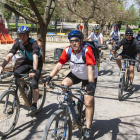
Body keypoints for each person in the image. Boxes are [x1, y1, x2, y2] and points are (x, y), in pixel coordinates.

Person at [43, 30, 98, 139]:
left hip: (88, 76)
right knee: (64, 85)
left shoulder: (87, 51)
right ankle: (73, 105)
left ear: (81, 41)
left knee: (88, 102)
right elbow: (59, 65)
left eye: (76, 40)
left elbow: (90, 69)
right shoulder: (67, 50)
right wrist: (49, 77)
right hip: (76, 74)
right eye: (71, 41)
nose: (74, 43)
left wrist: (91, 83)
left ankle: (87, 127)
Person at [0, 26, 43, 115]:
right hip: (27, 62)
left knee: (34, 82)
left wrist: (34, 71)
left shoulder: (33, 43)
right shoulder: (18, 43)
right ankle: (25, 86)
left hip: (37, 64)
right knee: (16, 74)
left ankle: (34, 105)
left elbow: (35, 57)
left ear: (28, 35)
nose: (22, 38)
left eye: (24, 36)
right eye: (20, 36)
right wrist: (2, 67)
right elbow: (9, 56)